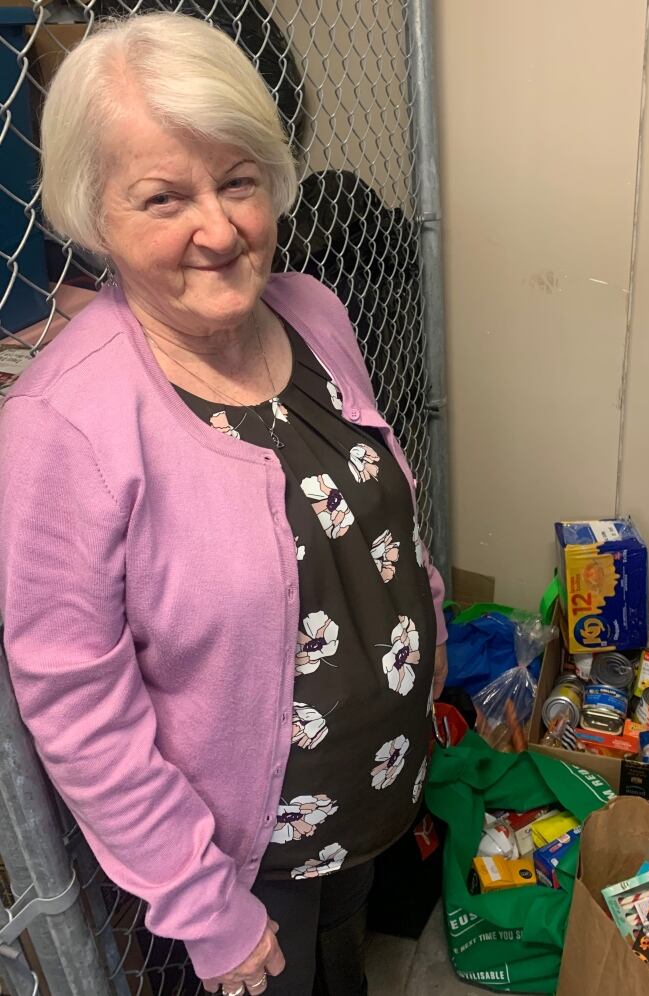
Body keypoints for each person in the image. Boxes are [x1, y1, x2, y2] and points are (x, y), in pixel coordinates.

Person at [0, 13, 447, 996]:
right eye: (164, 197)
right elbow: (79, 706)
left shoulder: (313, 311)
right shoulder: (61, 424)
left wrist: (427, 624)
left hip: (367, 804)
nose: (219, 227)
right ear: (93, 212)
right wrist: (204, 906)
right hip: (239, 866)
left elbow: (373, 512)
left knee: (345, 968)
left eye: (238, 181)